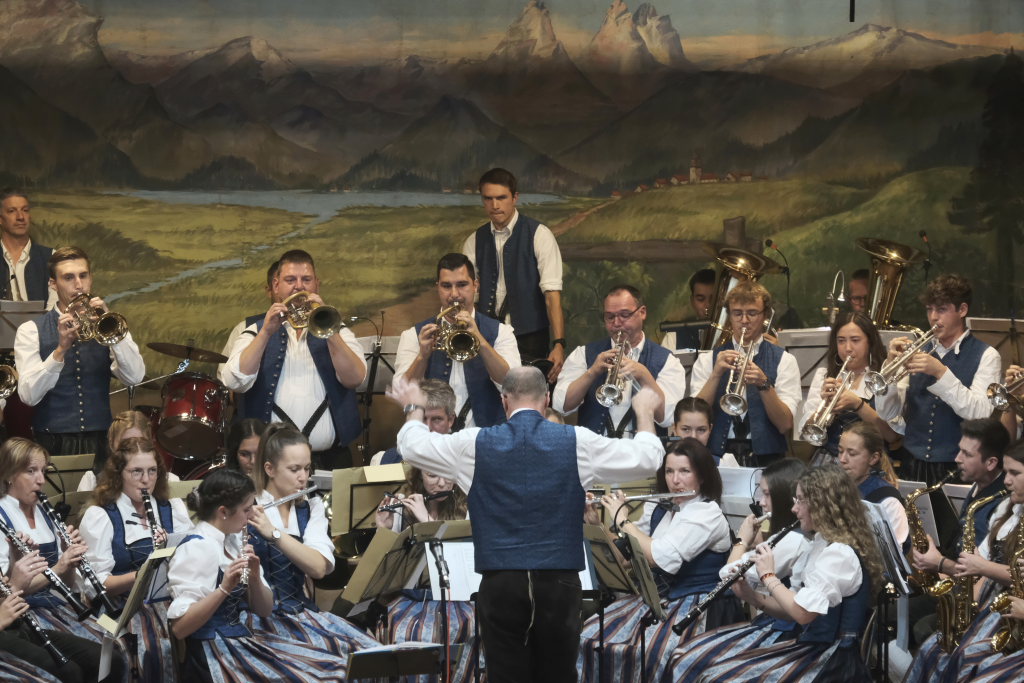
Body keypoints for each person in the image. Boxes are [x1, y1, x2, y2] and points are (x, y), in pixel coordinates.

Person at [389, 366, 664, 683]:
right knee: (557, 677)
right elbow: (649, 458)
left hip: (502, 583)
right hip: (559, 584)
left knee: (506, 676)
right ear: (546, 399)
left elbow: (411, 446)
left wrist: (414, 407)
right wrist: (644, 412)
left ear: (504, 401)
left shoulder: (473, 444)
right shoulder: (577, 442)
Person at [687, 464, 884, 682]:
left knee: (719, 678)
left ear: (821, 505)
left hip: (832, 661)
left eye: (800, 500)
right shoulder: (820, 544)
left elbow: (802, 614)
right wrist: (751, 596)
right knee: (707, 667)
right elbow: (791, 611)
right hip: (811, 648)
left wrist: (768, 576)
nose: (794, 509)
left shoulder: (840, 555)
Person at [167, 468, 364, 682]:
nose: (252, 514)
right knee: (326, 677)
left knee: (342, 667)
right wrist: (224, 589)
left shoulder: (232, 540)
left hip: (239, 638)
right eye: (246, 509)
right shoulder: (197, 548)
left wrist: (254, 578)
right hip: (213, 651)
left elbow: (264, 609)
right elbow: (180, 629)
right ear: (223, 512)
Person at [576, 438, 737, 683]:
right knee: (589, 636)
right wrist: (597, 524)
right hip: (658, 599)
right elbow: (626, 558)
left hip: (697, 604)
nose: (675, 480)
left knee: (652, 654)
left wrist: (621, 517)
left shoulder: (707, 514)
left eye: (685, 471)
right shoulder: (662, 508)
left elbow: (660, 558)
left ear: (702, 476)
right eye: (669, 471)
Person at [221, 249, 367, 470]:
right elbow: (234, 382)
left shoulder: (339, 331)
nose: (299, 286)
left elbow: (355, 379)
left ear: (317, 285)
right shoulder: (254, 330)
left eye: (306, 279)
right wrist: (265, 333)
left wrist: (330, 329)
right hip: (270, 463)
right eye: (290, 280)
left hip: (329, 459)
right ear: (276, 285)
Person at [666, 458, 810, 682]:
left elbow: (728, 574)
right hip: (774, 622)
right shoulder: (788, 536)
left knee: (693, 661)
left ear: (784, 498)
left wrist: (742, 540)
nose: (761, 502)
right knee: (688, 655)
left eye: (767, 494)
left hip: (786, 633)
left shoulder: (793, 539)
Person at [245, 424, 379, 657]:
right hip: (258, 620)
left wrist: (274, 533)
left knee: (369, 653)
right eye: (294, 469)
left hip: (300, 613)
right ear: (269, 469)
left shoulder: (311, 508)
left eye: (307, 468)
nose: (303, 477)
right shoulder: (247, 506)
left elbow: (318, 568)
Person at [904, 438, 1024, 683]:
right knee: (932, 650)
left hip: (1011, 611)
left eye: (1015, 473)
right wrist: (969, 609)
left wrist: (952, 565)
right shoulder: (1007, 509)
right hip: (990, 602)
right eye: (1007, 472)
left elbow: (1004, 572)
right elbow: (980, 562)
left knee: (968, 659)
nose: (1007, 480)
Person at [14, 247, 145, 462]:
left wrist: (113, 334)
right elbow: (28, 396)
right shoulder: (30, 330)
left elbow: (135, 377)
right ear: (53, 284)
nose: (78, 284)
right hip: (51, 441)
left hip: (101, 439)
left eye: (83, 276)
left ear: (90, 278)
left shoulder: (109, 324)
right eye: (68, 278)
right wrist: (60, 350)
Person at [78, 436, 193, 681]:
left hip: (171, 598)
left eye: (152, 471)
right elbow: (96, 585)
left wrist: (174, 551)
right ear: (118, 474)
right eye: (136, 472)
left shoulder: (172, 508)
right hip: (121, 607)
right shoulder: (101, 515)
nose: (146, 480)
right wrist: (142, 575)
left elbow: (194, 560)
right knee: (149, 647)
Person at [0, 438, 121, 651]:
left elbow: (67, 582)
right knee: (98, 650)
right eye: (31, 471)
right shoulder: (3, 516)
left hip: (59, 602)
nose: (41, 480)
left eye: (43, 471)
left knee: (118, 637)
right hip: (27, 612)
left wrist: (69, 559)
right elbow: (5, 592)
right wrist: (59, 567)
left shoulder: (45, 512)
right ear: (9, 474)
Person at [887, 274, 1001, 485]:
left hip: (957, 467)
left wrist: (941, 373)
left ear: (962, 310)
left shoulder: (987, 356)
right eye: (929, 309)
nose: (933, 317)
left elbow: (981, 414)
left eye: (941, 309)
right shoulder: (918, 350)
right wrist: (889, 370)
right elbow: (889, 414)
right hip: (912, 461)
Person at [374, 450, 476, 683]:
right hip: (410, 597)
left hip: (455, 596)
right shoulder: (404, 504)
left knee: (462, 626)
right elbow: (386, 568)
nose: (441, 483)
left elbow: (461, 565)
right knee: (402, 628)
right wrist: (384, 529)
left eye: (447, 474)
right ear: (419, 474)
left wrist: (426, 522)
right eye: (432, 475)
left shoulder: (468, 503)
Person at [909, 417, 1008, 647]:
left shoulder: (1002, 504)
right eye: (959, 450)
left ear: (991, 462)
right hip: (954, 583)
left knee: (922, 629)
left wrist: (940, 564)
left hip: (975, 598)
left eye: (966, 454)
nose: (957, 459)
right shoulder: (975, 486)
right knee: (892, 611)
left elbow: (979, 572)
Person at [393, 252, 520, 430]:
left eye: (462, 285)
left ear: (475, 286)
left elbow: (513, 387)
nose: (454, 294)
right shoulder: (413, 335)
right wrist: (422, 357)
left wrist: (481, 342)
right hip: (433, 437)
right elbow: (402, 395)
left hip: (486, 436)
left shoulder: (501, 332)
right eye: (446, 286)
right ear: (438, 287)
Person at [463, 168, 566, 381]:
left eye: (501, 197)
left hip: (530, 338)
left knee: (529, 395)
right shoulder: (474, 240)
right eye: (488, 198)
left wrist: (558, 344)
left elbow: (552, 295)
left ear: (515, 197)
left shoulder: (539, 235)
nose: (495, 205)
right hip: (487, 336)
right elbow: (469, 297)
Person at [691, 281, 801, 466]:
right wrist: (716, 375)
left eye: (752, 313)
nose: (744, 320)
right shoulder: (708, 359)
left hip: (768, 460)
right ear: (729, 316)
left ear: (765, 315)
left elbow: (785, 425)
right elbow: (694, 417)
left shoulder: (785, 360)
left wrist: (764, 384)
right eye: (737, 313)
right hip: (717, 456)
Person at [553, 284, 685, 438]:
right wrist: (592, 372)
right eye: (610, 317)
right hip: (594, 448)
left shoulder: (667, 360)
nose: (616, 323)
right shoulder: (583, 354)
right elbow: (560, 406)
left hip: (642, 450)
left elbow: (668, 418)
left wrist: (644, 375)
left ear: (642, 312)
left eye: (624, 315)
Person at [0, 552, 127, 682]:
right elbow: (14, 592)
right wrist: (57, 569)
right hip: (24, 615)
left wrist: (16, 555)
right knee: (69, 671)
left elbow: (69, 583)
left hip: (42, 611)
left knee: (113, 655)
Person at [796, 312, 901, 464]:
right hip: (828, 462)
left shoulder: (883, 377)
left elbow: (891, 436)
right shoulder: (824, 375)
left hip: (868, 464)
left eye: (855, 340)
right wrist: (825, 407)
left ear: (870, 342)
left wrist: (858, 405)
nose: (848, 348)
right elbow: (809, 434)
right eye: (841, 341)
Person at [836, 422, 908, 549]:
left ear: (873, 458)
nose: (842, 459)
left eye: (852, 454)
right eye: (840, 451)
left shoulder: (887, 501)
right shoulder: (837, 488)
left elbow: (890, 555)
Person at [371, 379, 455, 466]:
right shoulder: (383, 460)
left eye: (436, 419)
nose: (428, 427)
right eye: (422, 418)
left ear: (450, 420)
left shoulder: (462, 461)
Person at [77, 409, 157, 492]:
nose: (132, 449)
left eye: (139, 442)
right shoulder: (92, 481)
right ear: (111, 444)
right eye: (125, 443)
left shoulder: (163, 480)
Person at [0, 189, 54, 306]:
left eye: (25, 210)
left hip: (44, 318)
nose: (20, 217)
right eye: (11, 211)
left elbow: (56, 307)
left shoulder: (51, 257)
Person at [660, 268, 716, 351]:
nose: (708, 305)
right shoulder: (673, 336)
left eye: (713, 299)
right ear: (692, 301)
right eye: (700, 299)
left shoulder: (733, 332)